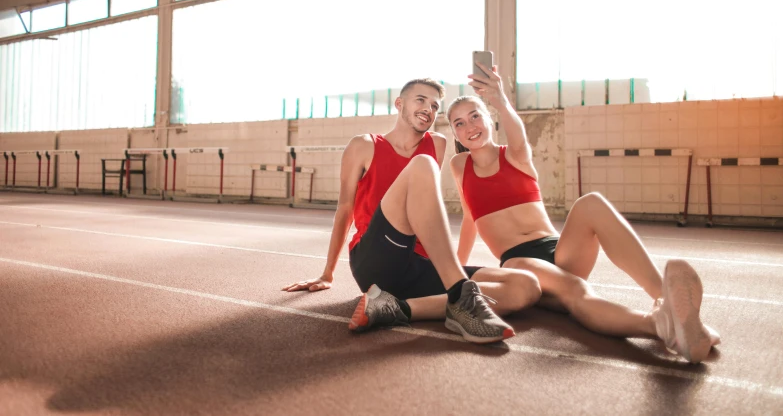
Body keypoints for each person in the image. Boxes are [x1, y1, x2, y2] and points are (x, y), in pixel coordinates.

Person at [445, 63, 720, 362]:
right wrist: (456, 270)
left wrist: (499, 97)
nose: (469, 126)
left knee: (591, 202)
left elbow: (518, 133)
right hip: (519, 260)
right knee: (576, 289)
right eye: (459, 123)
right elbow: (472, 216)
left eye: (475, 116)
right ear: (455, 134)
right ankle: (661, 327)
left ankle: (665, 301)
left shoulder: (515, 155)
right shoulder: (459, 167)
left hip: (558, 249)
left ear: (490, 120)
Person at [282, 78, 541, 344]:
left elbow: (423, 205)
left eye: (434, 105)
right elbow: (345, 209)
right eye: (421, 100)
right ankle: (460, 293)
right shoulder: (364, 145)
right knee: (422, 165)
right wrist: (328, 273)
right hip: (375, 260)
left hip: (417, 267)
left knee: (526, 286)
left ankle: (396, 309)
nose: (428, 109)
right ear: (399, 103)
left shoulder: (437, 144)